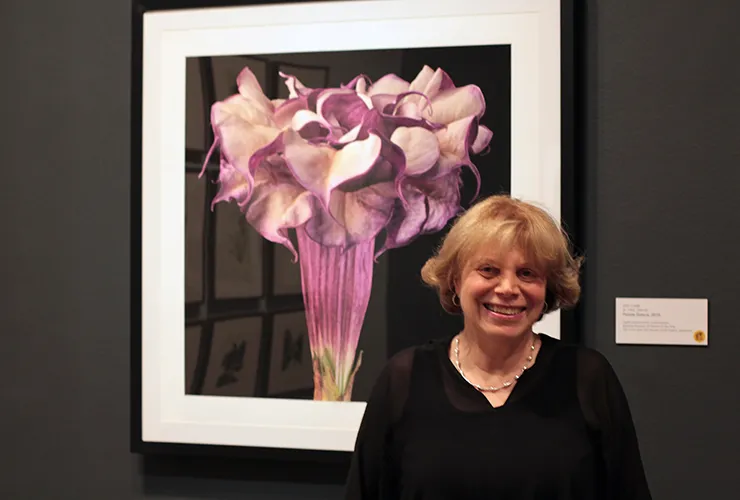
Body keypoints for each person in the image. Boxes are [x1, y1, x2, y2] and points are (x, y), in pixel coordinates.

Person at [344, 194, 652, 499]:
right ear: (455, 280)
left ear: (547, 289)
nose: (507, 289)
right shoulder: (405, 380)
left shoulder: (588, 379)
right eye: (488, 270)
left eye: (527, 273)